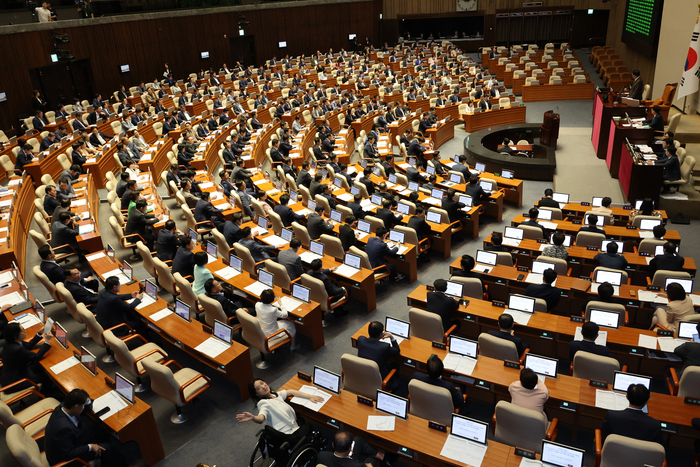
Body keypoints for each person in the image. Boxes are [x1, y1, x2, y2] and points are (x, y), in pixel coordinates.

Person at [45, 388, 136, 467]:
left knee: (98, 429)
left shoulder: (64, 407)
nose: (84, 407)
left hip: (73, 439)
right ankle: (120, 462)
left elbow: (86, 408)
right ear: (76, 407)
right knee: (107, 448)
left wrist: (87, 401)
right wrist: (90, 447)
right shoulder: (63, 428)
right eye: (83, 405)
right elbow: (69, 453)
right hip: (67, 459)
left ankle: (104, 456)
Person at [236, 379, 322, 435]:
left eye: (262, 383)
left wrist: (309, 396)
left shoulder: (273, 394)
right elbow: (261, 418)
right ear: (256, 394)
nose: (263, 386)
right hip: (288, 432)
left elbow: (290, 391)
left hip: (290, 425)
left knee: (301, 420)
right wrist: (253, 418)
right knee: (309, 426)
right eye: (259, 388)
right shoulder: (263, 403)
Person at [1, 322, 53, 391]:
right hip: (15, 381)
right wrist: (47, 341)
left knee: (38, 367)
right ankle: (47, 393)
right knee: (46, 376)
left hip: (17, 370)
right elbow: (37, 356)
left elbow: (28, 346)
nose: (24, 330)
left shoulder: (12, 341)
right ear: (15, 336)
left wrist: (40, 333)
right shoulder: (16, 348)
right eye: (22, 330)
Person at [357, 321, 400, 390]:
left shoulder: (361, 340)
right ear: (381, 334)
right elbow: (397, 350)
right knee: (395, 365)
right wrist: (392, 337)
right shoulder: (384, 347)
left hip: (363, 374)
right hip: (379, 378)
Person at [318, 431, 384, 467]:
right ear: (350, 448)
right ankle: (384, 460)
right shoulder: (358, 466)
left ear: (332, 445)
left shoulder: (321, 455)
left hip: (344, 461)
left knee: (358, 440)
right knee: (373, 460)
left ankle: (382, 456)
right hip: (349, 463)